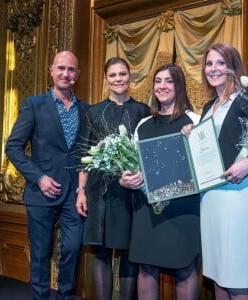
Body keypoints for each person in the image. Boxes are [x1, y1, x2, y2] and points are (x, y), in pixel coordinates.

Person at [182, 43, 248, 300]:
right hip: (210, 197)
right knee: (217, 277)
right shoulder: (208, 106)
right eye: (209, 63)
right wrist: (193, 133)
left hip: (238, 195)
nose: (213, 69)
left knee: (236, 277)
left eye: (220, 63)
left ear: (233, 67)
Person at [5, 51, 89, 300]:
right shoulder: (34, 104)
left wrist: (82, 188)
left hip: (74, 194)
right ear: (51, 70)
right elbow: (13, 146)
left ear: (78, 75)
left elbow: (85, 151)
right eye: (61, 68)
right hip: (41, 192)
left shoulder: (86, 109)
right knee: (41, 253)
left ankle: (65, 296)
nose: (66, 74)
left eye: (71, 69)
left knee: (73, 249)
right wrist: (38, 177)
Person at [120, 63, 201, 300]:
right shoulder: (144, 125)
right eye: (158, 81)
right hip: (147, 208)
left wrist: (196, 137)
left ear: (179, 86)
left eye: (168, 81)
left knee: (185, 268)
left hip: (183, 208)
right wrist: (126, 178)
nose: (162, 86)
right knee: (146, 267)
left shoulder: (195, 121)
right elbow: (133, 164)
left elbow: (206, 165)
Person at [76, 57, 150, 300]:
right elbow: (85, 153)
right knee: (101, 252)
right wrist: (81, 191)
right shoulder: (93, 112)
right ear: (106, 79)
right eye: (113, 75)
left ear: (130, 77)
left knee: (130, 250)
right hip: (101, 192)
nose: (118, 79)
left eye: (123, 74)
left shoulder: (143, 111)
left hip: (134, 189)